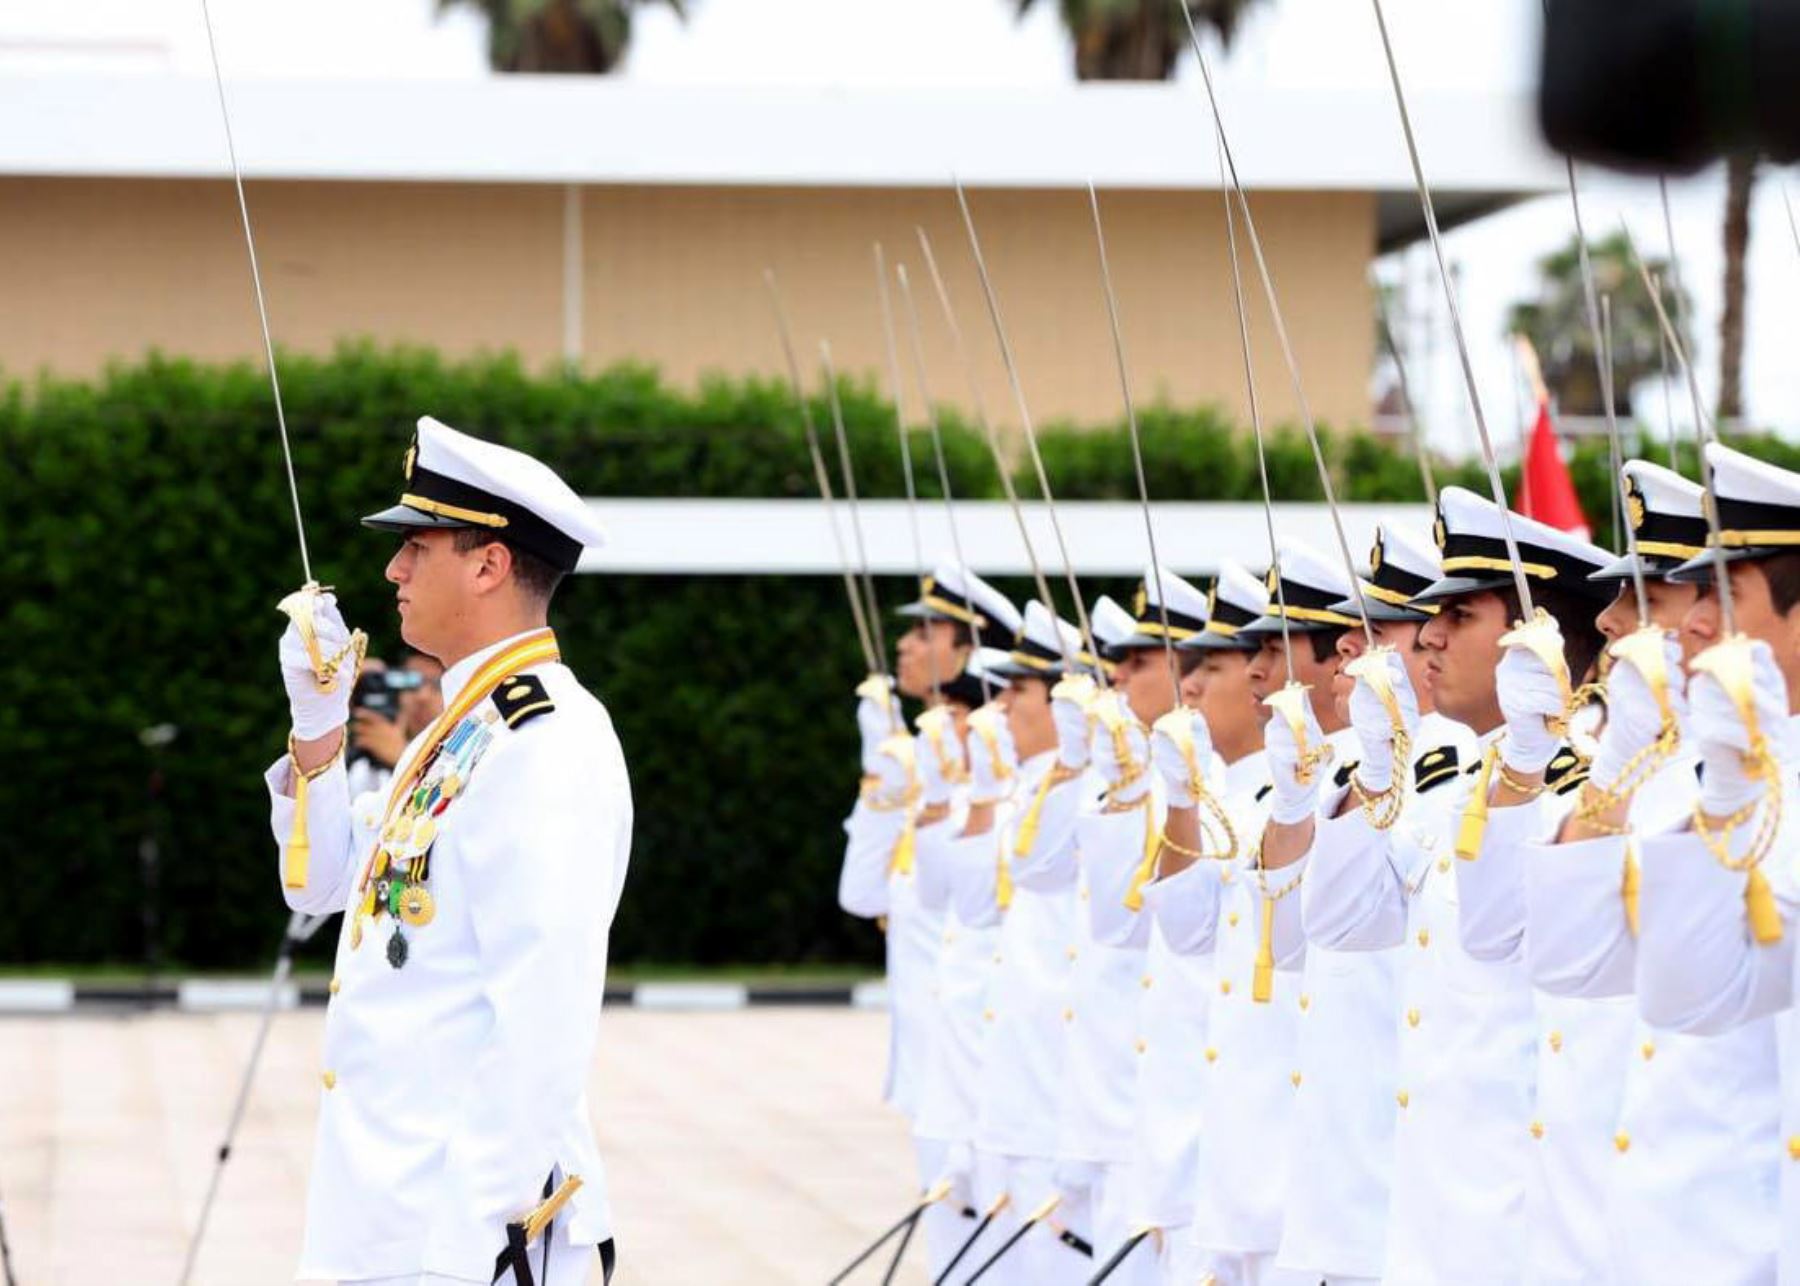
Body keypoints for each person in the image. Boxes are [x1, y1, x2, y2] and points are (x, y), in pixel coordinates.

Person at [268, 415, 628, 1286]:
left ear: (488, 563)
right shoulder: (464, 726)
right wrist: (317, 733)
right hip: (387, 1210)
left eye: (416, 546)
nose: (392, 569)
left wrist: (471, 1247)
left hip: (453, 1236)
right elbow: (321, 890)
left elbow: (542, 1021)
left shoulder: (545, 738)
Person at [1263, 487, 1609, 1286]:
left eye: (1462, 616)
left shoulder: (1588, 785)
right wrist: (1365, 781)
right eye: (1431, 617)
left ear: (1541, 641)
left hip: (1522, 1224)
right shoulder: (1456, 784)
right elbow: (1342, 923)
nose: (1430, 636)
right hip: (1423, 1216)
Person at [1512, 456, 1782, 1283]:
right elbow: (1563, 960)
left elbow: (1692, 997)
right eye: (1689, 597)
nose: (1615, 625)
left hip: (1742, 1240)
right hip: (1618, 1226)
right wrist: (1616, 764)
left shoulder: (1741, 782)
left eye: (1718, 597)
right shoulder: (1666, 779)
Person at [1631, 442, 1800, 1282]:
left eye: (1724, 595)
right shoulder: (1699, 777)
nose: (1693, 622)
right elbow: (1684, 995)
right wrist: (1731, 793)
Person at [838, 561, 1022, 1280]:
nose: (907, 647)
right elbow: (862, 896)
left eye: (927, 632)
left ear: (972, 649)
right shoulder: (922, 756)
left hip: (983, 1065)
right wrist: (882, 783)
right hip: (930, 1060)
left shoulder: (994, 771)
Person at [1051, 571, 1209, 1286]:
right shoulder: (1131, 774)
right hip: (1122, 1111)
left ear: (1189, 671)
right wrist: (1122, 790)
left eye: (1140, 662)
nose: (1117, 679)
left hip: (1186, 1130)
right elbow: (1116, 921)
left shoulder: (1231, 783)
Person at [1128, 558, 1271, 1284]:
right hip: (1189, 1146)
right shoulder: (1220, 794)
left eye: (1209, 666)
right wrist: (1180, 797)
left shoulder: (1294, 796)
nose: (1189, 687)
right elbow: (1184, 929)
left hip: (1252, 1157)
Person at [965, 599, 1100, 1283]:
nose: (1002, 709)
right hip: (1014, 1080)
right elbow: (974, 903)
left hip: (1057, 1088)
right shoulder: (1027, 783)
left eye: (1017, 691)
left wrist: (1078, 769)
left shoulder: (1095, 785)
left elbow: (1040, 874)